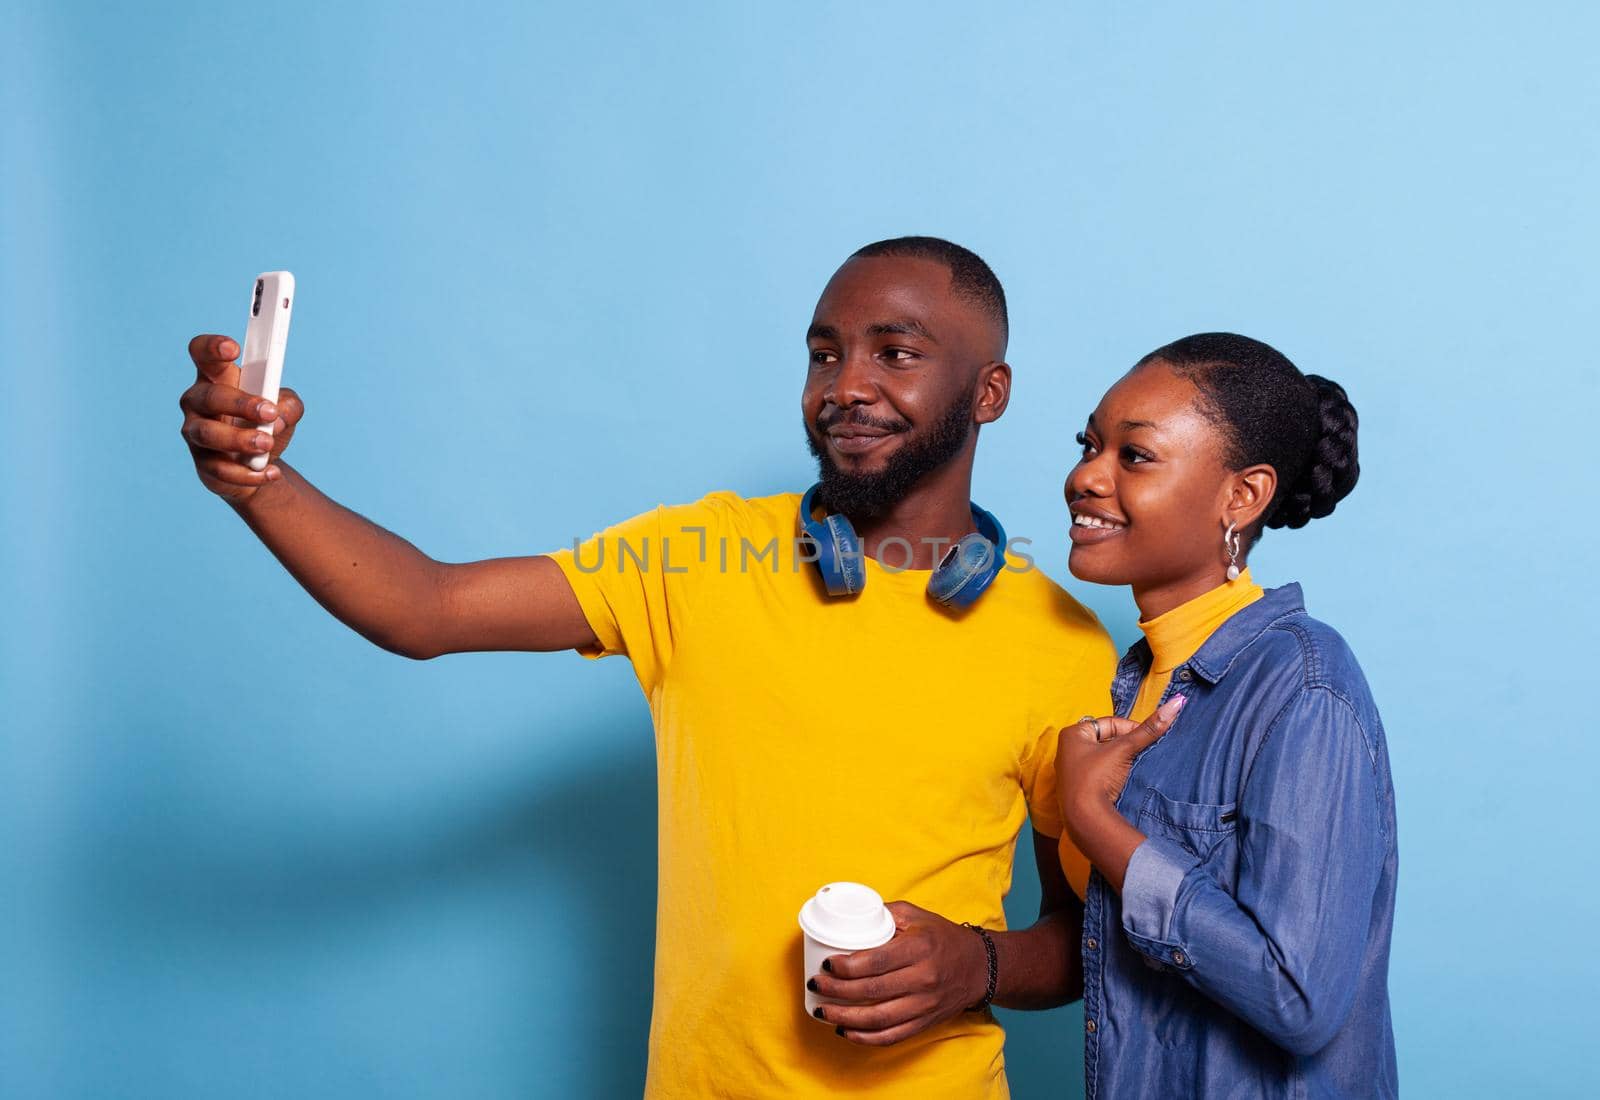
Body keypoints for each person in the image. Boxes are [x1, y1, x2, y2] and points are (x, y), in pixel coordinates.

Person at [178, 237, 1118, 1098]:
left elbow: (1083, 945)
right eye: (825, 353)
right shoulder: (696, 557)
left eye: (896, 353)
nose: (846, 386)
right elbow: (425, 606)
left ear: (988, 393)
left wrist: (975, 963)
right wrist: (256, 478)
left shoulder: (1063, 647)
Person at [1052, 333, 1398, 1098]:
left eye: (1132, 457)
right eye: (1088, 446)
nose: (1084, 477)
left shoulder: (1304, 686)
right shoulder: (1131, 685)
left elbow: (1297, 996)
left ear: (1241, 497)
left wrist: (1093, 818)